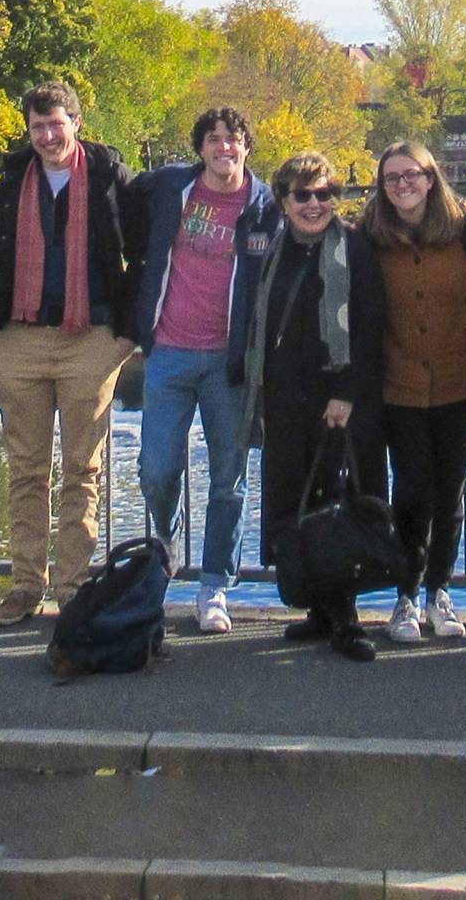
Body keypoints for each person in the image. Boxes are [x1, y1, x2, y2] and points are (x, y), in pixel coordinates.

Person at [0, 80, 140, 626]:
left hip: (90, 338)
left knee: (81, 470)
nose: (47, 136)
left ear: (77, 123)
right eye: (38, 127)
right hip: (19, 337)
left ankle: (71, 587)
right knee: (25, 470)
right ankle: (26, 586)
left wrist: (124, 335)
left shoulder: (110, 178)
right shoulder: (12, 179)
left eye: (56, 124)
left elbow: (137, 254)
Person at [129, 108, 281, 634]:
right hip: (168, 352)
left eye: (233, 140)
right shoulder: (172, 188)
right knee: (156, 470)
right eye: (214, 140)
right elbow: (117, 196)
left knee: (228, 482)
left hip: (229, 363)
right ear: (200, 149)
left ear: (247, 148)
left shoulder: (266, 207)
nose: (224, 148)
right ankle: (167, 543)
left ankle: (215, 584)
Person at [241, 152, 386, 662]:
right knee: (291, 503)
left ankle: (347, 617)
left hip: (334, 402)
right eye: (303, 194)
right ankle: (315, 608)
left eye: (325, 194)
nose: (315, 204)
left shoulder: (355, 249)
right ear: (283, 199)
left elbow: (368, 328)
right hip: (283, 401)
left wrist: (347, 392)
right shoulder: (273, 251)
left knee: (335, 506)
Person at [359, 141, 466, 643]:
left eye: (412, 175)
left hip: (461, 378)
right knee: (411, 488)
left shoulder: (465, 228)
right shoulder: (368, 237)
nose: (403, 185)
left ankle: (440, 591)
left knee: (450, 488)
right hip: (399, 383)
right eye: (392, 178)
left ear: (432, 179)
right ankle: (406, 595)